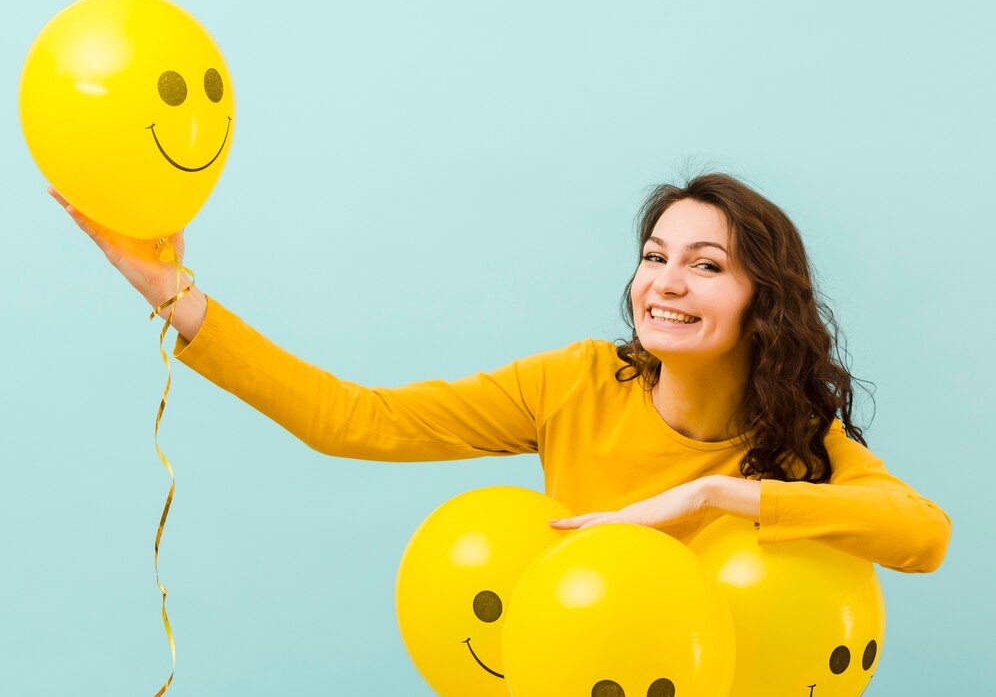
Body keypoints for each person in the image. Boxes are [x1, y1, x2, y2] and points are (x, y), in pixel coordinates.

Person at [50, 173, 950, 573]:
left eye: (707, 265)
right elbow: (353, 420)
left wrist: (713, 498)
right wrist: (173, 293)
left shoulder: (799, 441)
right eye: (653, 255)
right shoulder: (576, 384)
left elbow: (923, 535)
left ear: (765, 297)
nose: (666, 283)